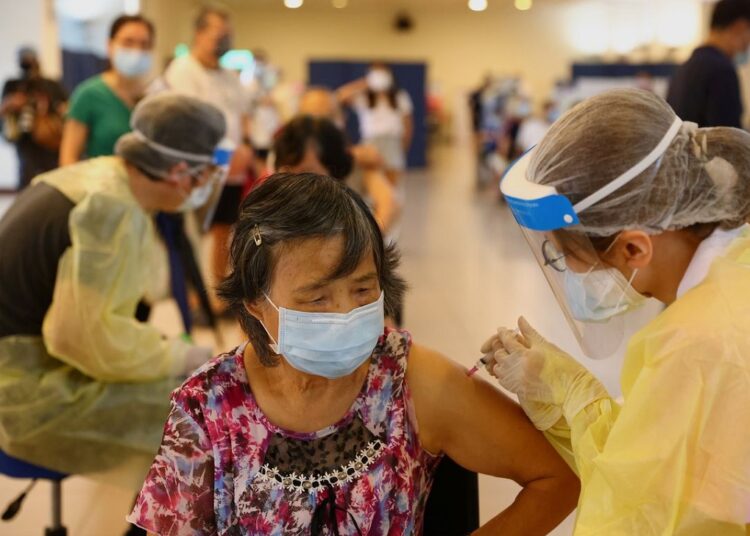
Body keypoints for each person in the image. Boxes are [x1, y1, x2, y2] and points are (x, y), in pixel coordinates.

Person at [128, 172, 580, 535]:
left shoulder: (412, 381)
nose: (347, 312)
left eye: (364, 289)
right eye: (316, 298)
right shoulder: (206, 406)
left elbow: (557, 478)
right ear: (255, 304)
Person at [488, 88, 750, 533]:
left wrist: (571, 391)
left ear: (633, 247)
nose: (564, 270)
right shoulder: (731, 270)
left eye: (564, 255)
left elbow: (638, 513)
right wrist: (558, 386)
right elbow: (657, 460)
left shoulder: (698, 340)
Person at [0, 93, 226, 490]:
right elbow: (84, 338)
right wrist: (179, 355)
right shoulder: (110, 207)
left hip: (33, 360)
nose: (204, 187)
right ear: (178, 171)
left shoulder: (98, 175)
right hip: (23, 394)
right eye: (204, 174)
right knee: (205, 410)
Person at [162, 6, 254, 304]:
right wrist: (225, 153)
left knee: (225, 228)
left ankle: (216, 295)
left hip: (232, 167)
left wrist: (247, 147)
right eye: (219, 33)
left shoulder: (229, 76)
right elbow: (188, 121)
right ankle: (193, 296)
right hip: (198, 163)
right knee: (194, 230)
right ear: (200, 34)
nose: (225, 39)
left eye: (229, 34)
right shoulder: (183, 70)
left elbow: (241, 117)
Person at [59, 14, 155, 165]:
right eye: (128, 42)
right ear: (110, 45)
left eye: (144, 44)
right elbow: (68, 159)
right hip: (100, 185)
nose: (136, 51)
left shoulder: (156, 98)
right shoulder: (89, 95)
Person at [667, 0, 750, 128]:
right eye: (747, 40)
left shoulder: (684, 68)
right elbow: (729, 141)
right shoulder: (722, 71)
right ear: (739, 27)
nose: (745, 48)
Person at [337, 62, 414, 186]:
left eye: (382, 74)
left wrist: (403, 148)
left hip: (393, 142)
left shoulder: (400, 96)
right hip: (371, 142)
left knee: (392, 184)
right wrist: (364, 83)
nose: (380, 77)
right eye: (375, 73)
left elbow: (408, 125)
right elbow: (339, 96)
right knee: (370, 183)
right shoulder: (363, 98)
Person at [0, 47, 67, 188]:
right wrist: (12, 103)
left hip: (50, 140)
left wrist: (46, 104)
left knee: (51, 179)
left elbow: (64, 107)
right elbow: (3, 110)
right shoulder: (13, 85)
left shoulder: (50, 85)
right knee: (27, 178)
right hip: (25, 140)